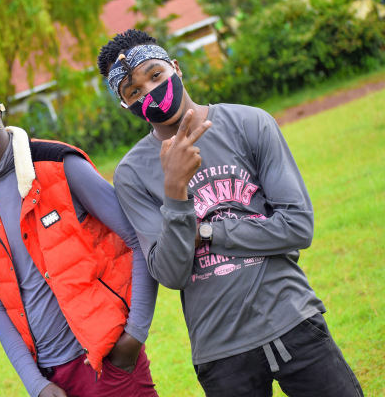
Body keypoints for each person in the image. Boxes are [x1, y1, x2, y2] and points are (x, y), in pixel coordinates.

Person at [97, 29, 364, 397]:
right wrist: (174, 189)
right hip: (219, 349)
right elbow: (171, 273)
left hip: (292, 318)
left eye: (156, 75)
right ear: (125, 105)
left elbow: (297, 226)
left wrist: (208, 233)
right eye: (134, 92)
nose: (150, 92)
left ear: (175, 67)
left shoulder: (250, 123)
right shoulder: (132, 173)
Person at [0, 75, 159, 397]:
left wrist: (134, 334)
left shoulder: (58, 162)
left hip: (109, 358)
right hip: (50, 377)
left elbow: (138, 238)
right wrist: (35, 383)